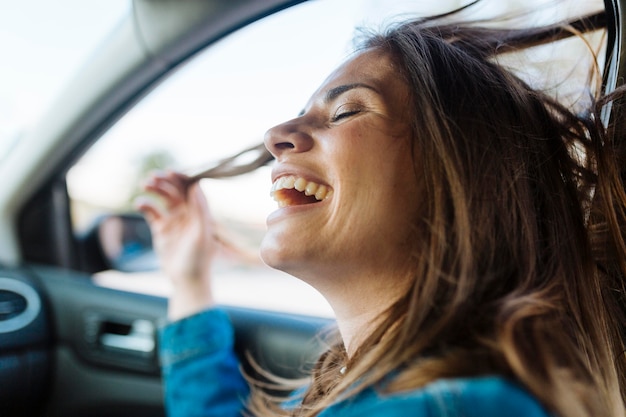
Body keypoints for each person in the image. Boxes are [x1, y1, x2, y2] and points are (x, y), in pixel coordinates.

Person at [137, 4, 626, 417]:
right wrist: (189, 279)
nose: (277, 135)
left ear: (464, 182)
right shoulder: (380, 389)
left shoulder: (460, 405)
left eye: (347, 110)